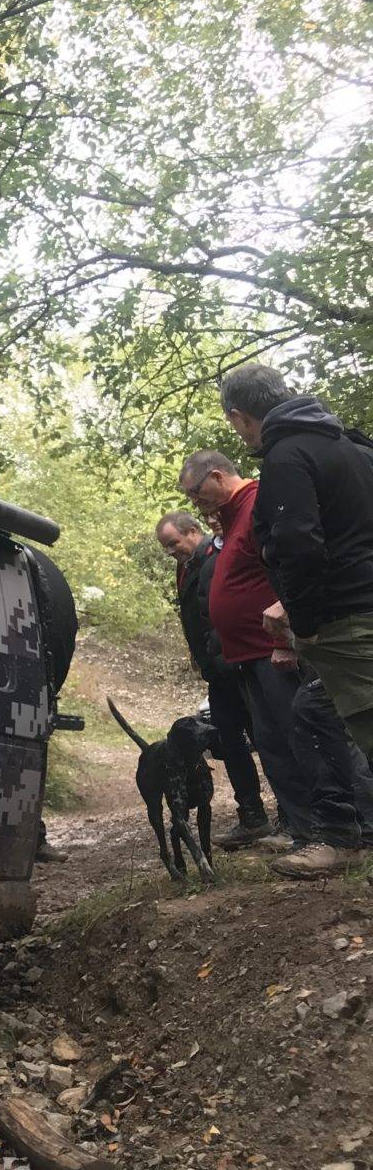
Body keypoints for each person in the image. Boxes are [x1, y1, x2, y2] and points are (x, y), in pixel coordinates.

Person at [221, 363, 373, 874]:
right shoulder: (351, 447)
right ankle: (343, 837)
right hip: (356, 608)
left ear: (241, 418)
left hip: (346, 622)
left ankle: (345, 837)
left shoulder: (288, 454)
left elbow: (298, 545)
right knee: (315, 711)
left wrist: (302, 622)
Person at [154, 511, 271, 844]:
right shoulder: (187, 566)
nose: (170, 552)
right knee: (228, 743)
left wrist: (226, 659)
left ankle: (295, 816)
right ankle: (252, 816)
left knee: (265, 737)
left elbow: (223, 614)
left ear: (193, 531)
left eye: (173, 543)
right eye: (165, 547)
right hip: (217, 672)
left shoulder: (217, 556)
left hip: (237, 664)